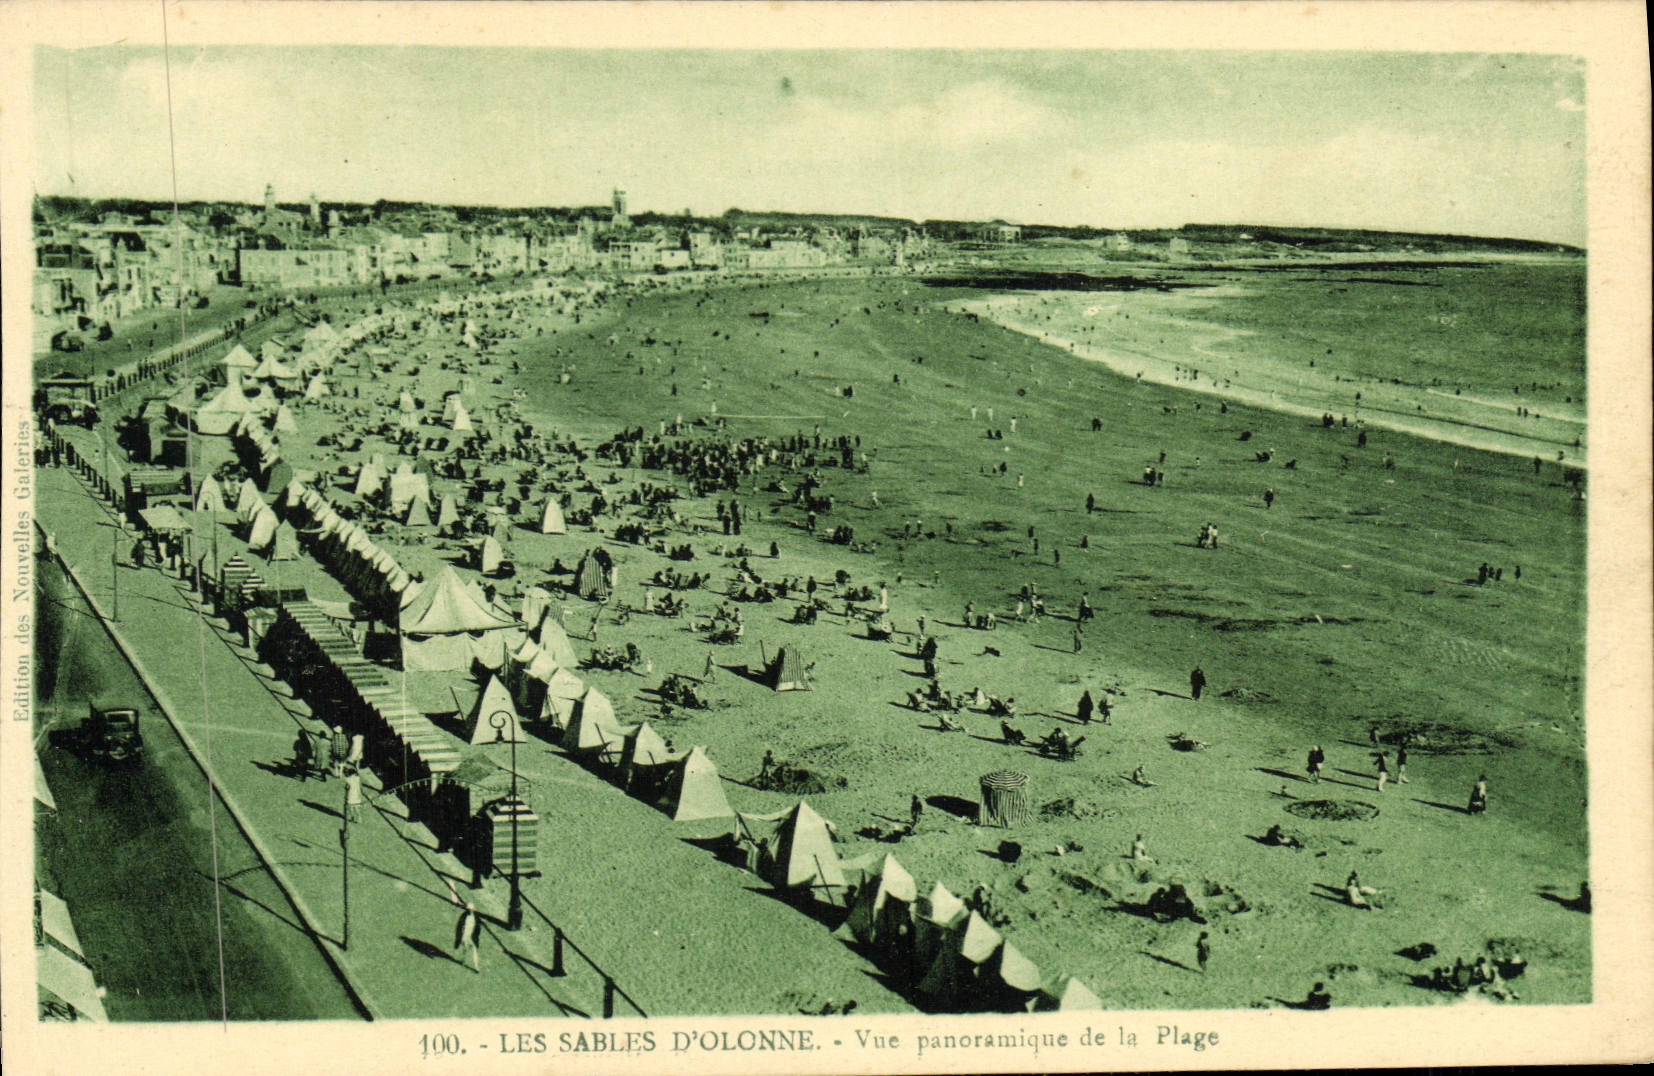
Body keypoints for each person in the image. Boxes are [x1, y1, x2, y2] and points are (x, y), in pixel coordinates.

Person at [455, 902, 482, 973]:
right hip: (465, 936)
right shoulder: (464, 917)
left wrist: (476, 939)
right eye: (469, 909)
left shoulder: (475, 917)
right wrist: (459, 939)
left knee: (474, 950)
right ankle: (463, 960)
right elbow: (459, 928)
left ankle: (476, 966)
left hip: (471, 937)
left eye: (471, 909)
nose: (470, 911)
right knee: (466, 949)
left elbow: (477, 929)